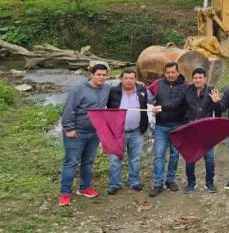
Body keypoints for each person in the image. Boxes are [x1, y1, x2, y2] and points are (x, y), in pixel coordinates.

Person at [59, 63, 111, 207]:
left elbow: (123, 89)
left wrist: (138, 84)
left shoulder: (106, 88)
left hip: (94, 132)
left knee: (88, 162)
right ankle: (65, 193)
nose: (101, 77)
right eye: (98, 74)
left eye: (104, 75)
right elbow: (68, 109)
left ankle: (84, 188)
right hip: (76, 132)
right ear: (92, 75)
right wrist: (69, 128)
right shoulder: (78, 89)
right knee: (71, 163)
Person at [106, 68, 157, 195]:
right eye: (126, 78)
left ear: (136, 79)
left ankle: (134, 181)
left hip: (136, 131)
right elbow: (104, 108)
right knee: (115, 159)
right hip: (117, 132)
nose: (129, 81)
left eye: (131, 78)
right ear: (121, 79)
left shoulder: (142, 90)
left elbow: (153, 102)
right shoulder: (112, 91)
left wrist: (156, 108)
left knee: (135, 158)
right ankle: (114, 184)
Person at [148, 61, 188, 197]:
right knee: (159, 155)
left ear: (178, 72)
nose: (170, 75)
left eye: (173, 72)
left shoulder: (185, 86)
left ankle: (170, 180)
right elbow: (146, 92)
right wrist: (141, 88)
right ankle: (158, 183)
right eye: (168, 72)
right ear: (164, 73)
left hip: (178, 125)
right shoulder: (157, 84)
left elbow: (182, 104)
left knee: (175, 155)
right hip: (161, 125)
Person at [183, 67, 221, 194]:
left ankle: (209, 183)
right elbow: (181, 107)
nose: (198, 80)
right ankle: (191, 183)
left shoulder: (211, 91)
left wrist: (216, 103)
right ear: (192, 79)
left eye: (200, 78)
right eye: (195, 78)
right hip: (191, 129)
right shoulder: (187, 90)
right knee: (190, 158)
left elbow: (219, 114)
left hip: (206, 131)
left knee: (209, 158)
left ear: (205, 79)